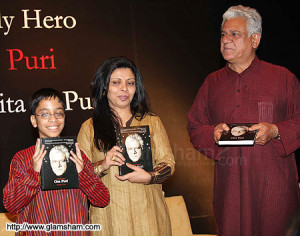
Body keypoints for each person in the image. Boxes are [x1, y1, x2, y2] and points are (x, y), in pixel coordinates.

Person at [187, 5, 300, 236]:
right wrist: (213, 134)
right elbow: (195, 126)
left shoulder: (283, 78)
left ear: (255, 39)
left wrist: (276, 130)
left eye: (234, 34)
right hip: (230, 194)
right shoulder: (212, 83)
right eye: (223, 34)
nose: (226, 40)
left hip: (274, 190)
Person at [77, 56, 175, 236]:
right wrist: (103, 165)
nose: (124, 88)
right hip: (110, 217)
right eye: (116, 82)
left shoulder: (152, 122)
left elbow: (168, 163)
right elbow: (80, 175)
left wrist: (150, 176)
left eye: (130, 83)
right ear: (104, 88)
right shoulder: (89, 128)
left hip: (149, 214)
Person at [3, 88, 110, 235]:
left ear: (64, 117)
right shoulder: (22, 158)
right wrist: (34, 173)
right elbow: (11, 205)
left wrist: (82, 174)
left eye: (58, 113)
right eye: (45, 114)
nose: (53, 119)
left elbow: (102, 200)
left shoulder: (77, 155)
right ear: (34, 120)